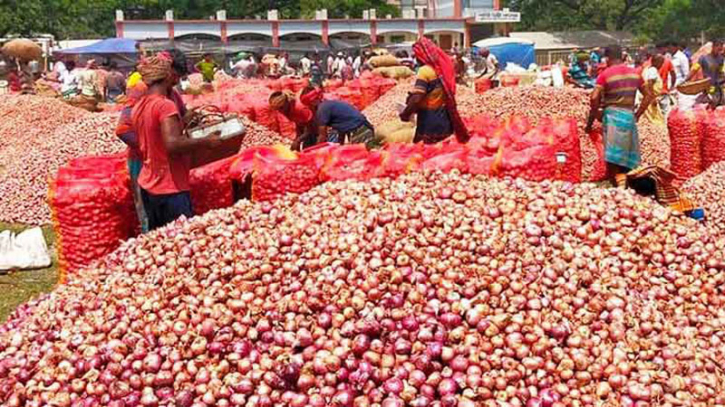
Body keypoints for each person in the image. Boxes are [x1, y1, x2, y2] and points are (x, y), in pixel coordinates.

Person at [131, 54, 226, 231]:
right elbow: (172, 144)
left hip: (148, 182)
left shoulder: (139, 105)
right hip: (170, 186)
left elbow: (154, 136)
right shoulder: (164, 105)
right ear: (167, 75)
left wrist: (183, 121)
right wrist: (206, 141)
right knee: (180, 239)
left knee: (157, 240)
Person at [585, 45, 655, 188]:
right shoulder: (635, 73)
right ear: (622, 57)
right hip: (629, 116)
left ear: (607, 58)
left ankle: (616, 187)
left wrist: (595, 115)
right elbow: (649, 95)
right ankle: (629, 186)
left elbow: (594, 97)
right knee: (628, 155)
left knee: (613, 157)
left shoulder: (605, 74)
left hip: (612, 117)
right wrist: (638, 114)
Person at [399, 37, 470, 144]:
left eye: (417, 55)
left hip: (429, 120)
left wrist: (406, 113)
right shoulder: (443, 68)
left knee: (427, 153)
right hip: (445, 118)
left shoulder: (425, 71)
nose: (416, 58)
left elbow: (417, 98)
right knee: (443, 152)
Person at [299, 86, 375, 146]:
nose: (309, 108)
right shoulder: (328, 104)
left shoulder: (322, 109)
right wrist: (339, 145)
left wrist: (315, 152)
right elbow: (342, 128)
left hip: (360, 130)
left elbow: (322, 136)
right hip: (363, 127)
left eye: (308, 105)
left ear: (312, 102)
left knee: (361, 159)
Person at [687, 39, 724, 108]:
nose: (719, 52)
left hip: (717, 87)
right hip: (706, 87)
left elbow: (720, 72)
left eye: (720, 50)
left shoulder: (720, 59)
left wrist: (722, 78)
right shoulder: (703, 58)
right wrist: (686, 79)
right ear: (713, 47)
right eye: (718, 49)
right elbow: (694, 69)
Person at [641, 54, 666, 125]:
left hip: (647, 98)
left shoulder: (647, 69)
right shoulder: (653, 70)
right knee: (656, 121)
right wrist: (652, 98)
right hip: (650, 99)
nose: (662, 65)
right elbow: (650, 83)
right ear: (656, 62)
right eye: (661, 63)